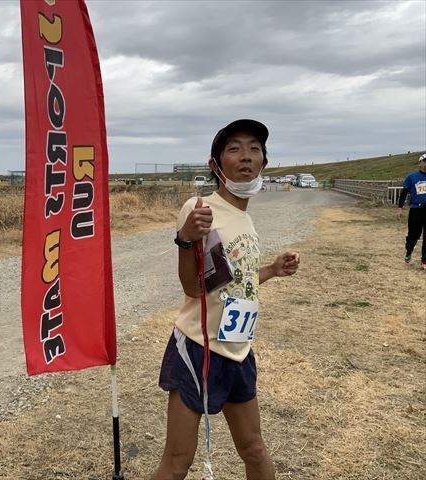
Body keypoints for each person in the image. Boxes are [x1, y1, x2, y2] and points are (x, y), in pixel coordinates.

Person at [153, 119, 300, 480]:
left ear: (264, 162)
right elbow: (193, 288)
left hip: (238, 349)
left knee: (254, 448)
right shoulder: (200, 208)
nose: (246, 156)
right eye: (234, 148)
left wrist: (271, 270)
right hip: (199, 347)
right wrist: (185, 239)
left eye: (254, 149)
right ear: (215, 164)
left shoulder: (246, 220)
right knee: (178, 461)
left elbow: (234, 282)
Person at [397, 153, 426, 270]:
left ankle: (424, 260)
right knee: (414, 235)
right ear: (420, 163)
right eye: (425, 161)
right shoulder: (412, 177)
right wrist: (399, 208)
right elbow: (404, 193)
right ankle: (409, 251)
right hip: (416, 210)